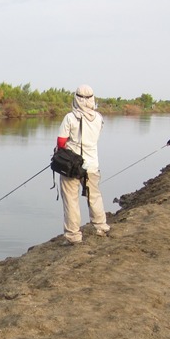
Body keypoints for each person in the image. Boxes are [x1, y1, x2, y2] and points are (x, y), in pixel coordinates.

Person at [55, 84, 110, 244]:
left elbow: (61, 142)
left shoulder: (70, 118)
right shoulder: (99, 118)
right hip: (92, 164)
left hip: (71, 167)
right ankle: (101, 226)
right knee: (94, 196)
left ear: (76, 98)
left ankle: (73, 236)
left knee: (71, 200)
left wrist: (65, 152)